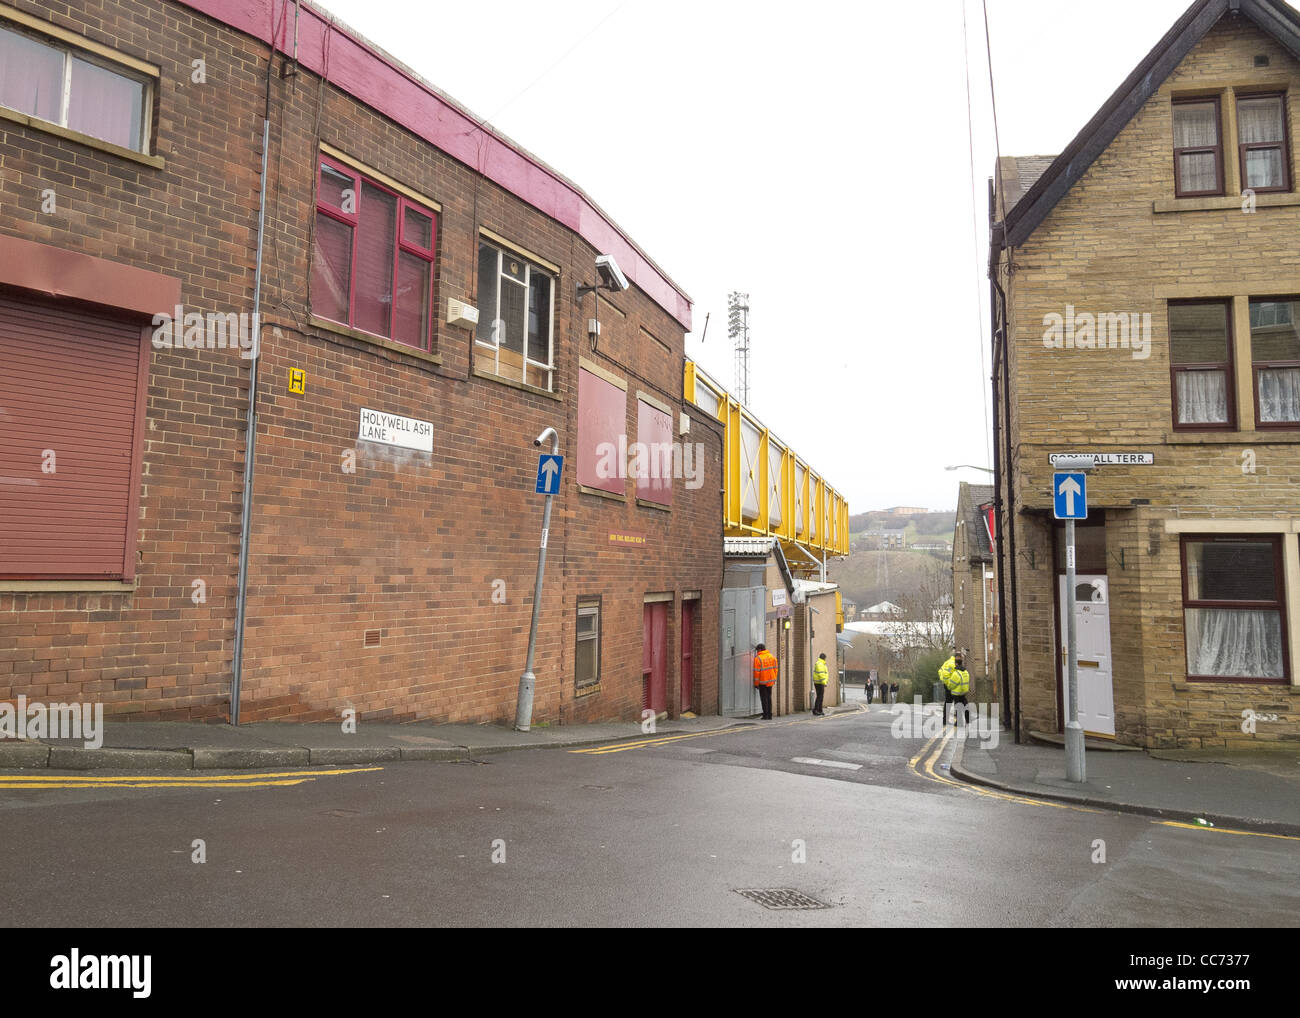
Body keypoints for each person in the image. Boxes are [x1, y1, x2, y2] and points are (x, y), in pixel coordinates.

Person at [939, 650, 971, 726]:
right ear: (957, 657)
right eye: (961, 657)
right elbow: (947, 675)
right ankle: (953, 721)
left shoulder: (949, 662)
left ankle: (947, 721)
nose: (962, 659)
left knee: (952, 703)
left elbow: (941, 671)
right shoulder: (952, 664)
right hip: (951, 685)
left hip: (953, 685)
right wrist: (949, 684)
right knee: (953, 702)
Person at [753, 642, 777, 720]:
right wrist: (774, 678)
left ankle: (765, 715)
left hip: (762, 681)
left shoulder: (758, 659)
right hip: (770, 681)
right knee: (769, 697)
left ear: (759, 649)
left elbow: (756, 672)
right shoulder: (772, 657)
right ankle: (769, 715)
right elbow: (775, 669)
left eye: (757, 651)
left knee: (764, 698)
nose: (757, 652)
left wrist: (756, 684)